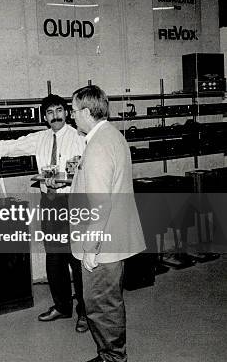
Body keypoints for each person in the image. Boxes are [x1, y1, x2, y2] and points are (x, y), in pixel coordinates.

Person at [0, 94, 88, 332]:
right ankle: (62, 307)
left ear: (67, 112)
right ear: (44, 117)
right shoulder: (40, 139)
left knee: (77, 258)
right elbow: (11, 146)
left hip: (73, 202)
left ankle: (85, 313)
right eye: (50, 112)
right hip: (50, 202)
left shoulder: (79, 137)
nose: (56, 116)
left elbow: (86, 168)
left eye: (59, 110)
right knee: (54, 258)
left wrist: (66, 180)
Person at [69, 85, 146, 362]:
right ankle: (111, 354)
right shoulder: (112, 136)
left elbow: (100, 204)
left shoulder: (98, 146)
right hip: (112, 236)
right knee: (108, 300)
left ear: (87, 112)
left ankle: (113, 357)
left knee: (101, 304)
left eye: (74, 110)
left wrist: (90, 248)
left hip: (102, 243)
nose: (71, 115)